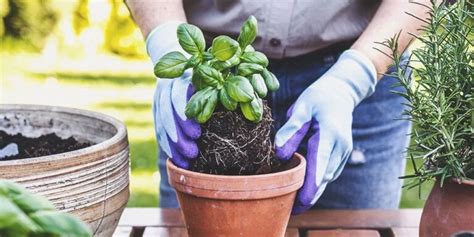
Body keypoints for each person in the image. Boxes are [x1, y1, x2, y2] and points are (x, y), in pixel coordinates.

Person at [126, 0, 429, 213]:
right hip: (210, 73)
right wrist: (167, 43)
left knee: (353, 225)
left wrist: (353, 79)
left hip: (363, 64)